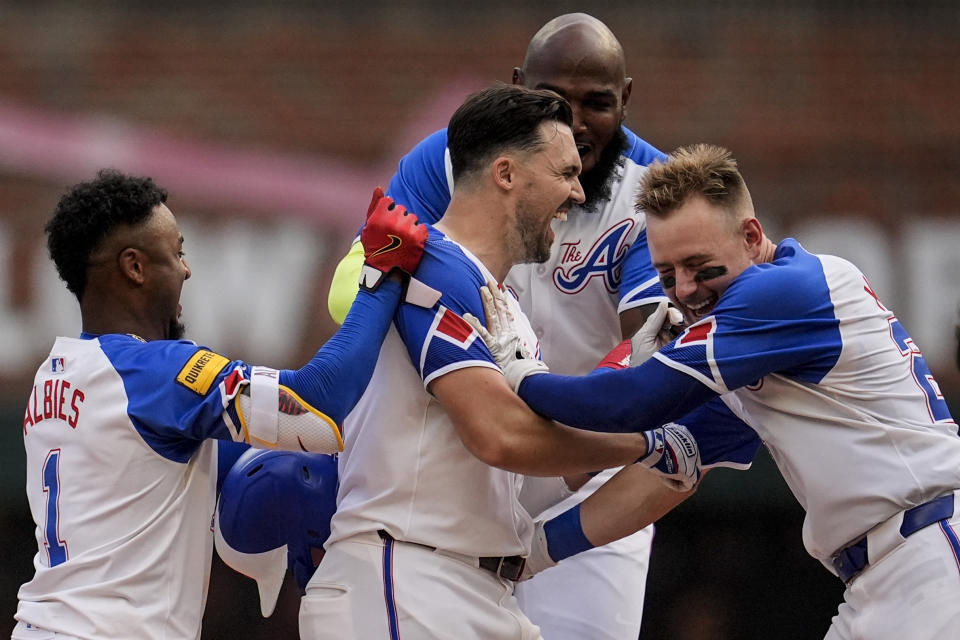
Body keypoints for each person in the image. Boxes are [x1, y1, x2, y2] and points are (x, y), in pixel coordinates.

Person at [486, 143, 960, 639]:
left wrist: (523, 375)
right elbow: (669, 467)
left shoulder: (786, 291)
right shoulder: (759, 353)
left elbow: (632, 402)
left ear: (751, 237)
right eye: (668, 274)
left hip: (929, 556)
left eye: (701, 266)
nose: (686, 289)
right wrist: (530, 553)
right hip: (884, 576)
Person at [325, 13, 701, 639]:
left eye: (598, 104)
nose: (578, 127)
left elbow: (653, 358)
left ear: (627, 98)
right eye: (557, 104)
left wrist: (616, 428)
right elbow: (360, 290)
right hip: (444, 512)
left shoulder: (651, 191)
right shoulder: (439, 244)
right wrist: (405, 294)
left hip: (567, 469)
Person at [13, 170, 429, 640]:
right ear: (134, 267)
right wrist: (382, 275)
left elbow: (178, 467)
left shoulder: (56, 371)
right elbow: (317, 407)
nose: (187, 270)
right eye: (177, 252)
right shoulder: (154, 373)